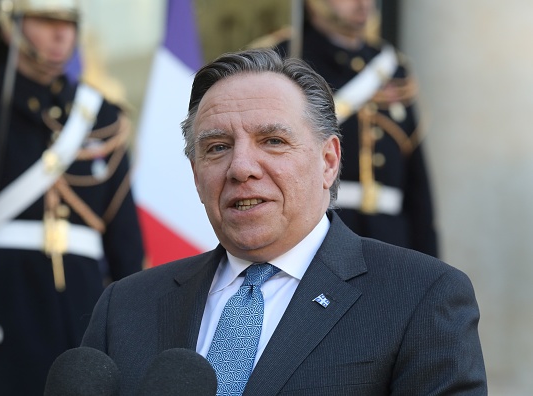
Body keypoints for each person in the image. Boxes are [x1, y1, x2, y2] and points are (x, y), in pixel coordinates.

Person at [81, 48, 486, 395]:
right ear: (195, 173)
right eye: (218, 147)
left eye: (272, 142)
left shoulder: (419, 296)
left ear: (328, 162)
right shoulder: (126, 307)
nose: (241, 168)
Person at [0, 0, 144, 395]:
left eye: (69, 23)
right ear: (8, 26)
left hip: (85, 319)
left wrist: (134, 333)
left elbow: (125, 244)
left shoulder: (102, 118)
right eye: (46, 20)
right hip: (0, 320)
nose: (60, 34)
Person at [264, 0, 439, 257]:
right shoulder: (285, 57)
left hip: (391, 239)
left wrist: (428, 257)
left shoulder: (391, 68)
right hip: (316, 234)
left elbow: (416, 182)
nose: (363, 3)